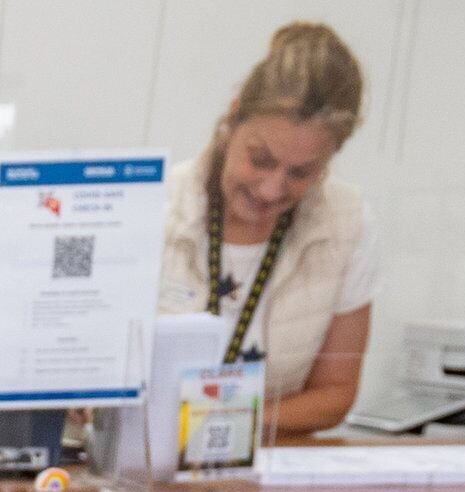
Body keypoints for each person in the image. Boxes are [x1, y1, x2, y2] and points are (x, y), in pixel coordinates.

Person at [154, 21, 377, 437]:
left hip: (264, 474)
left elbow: (334, 394)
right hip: (143, 465)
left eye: (301, 172)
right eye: (260, 159)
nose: (272, 189)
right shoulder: (157, 205)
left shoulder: (346, 223)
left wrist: (217, 418)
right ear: (233, 119)